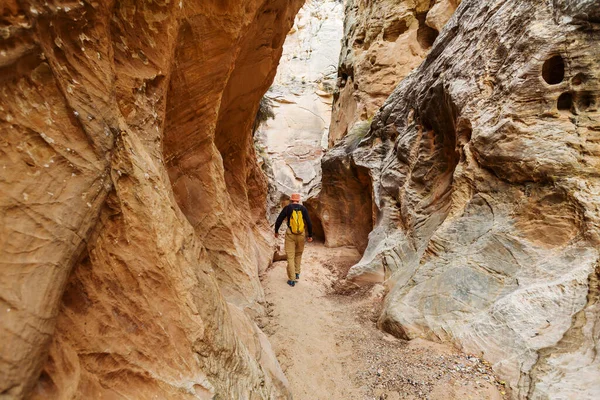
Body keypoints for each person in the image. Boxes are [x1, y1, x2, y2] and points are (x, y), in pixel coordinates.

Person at [274, 193, 313, 287]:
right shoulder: (303, 209)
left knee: (290, 256)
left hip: (290, 234)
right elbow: (309, 222)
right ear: (298, 200)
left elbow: (279, 220)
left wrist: (276, 231)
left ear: (291, 200)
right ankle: (296, 273)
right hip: (301, 234)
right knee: (298, 254)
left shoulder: (287, 208)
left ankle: (291, 279)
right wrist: (310, 235)